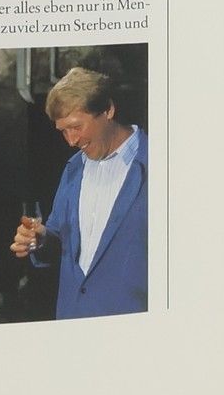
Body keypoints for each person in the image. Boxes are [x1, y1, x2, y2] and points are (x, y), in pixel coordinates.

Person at [10, 66, 148, 318]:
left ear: (108, 110)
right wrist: (41, 239)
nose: (71, 141)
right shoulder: (74, 169)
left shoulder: (161, 163)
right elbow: (59, 239)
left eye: (76, 127)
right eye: (63, 131)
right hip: (73, 321)